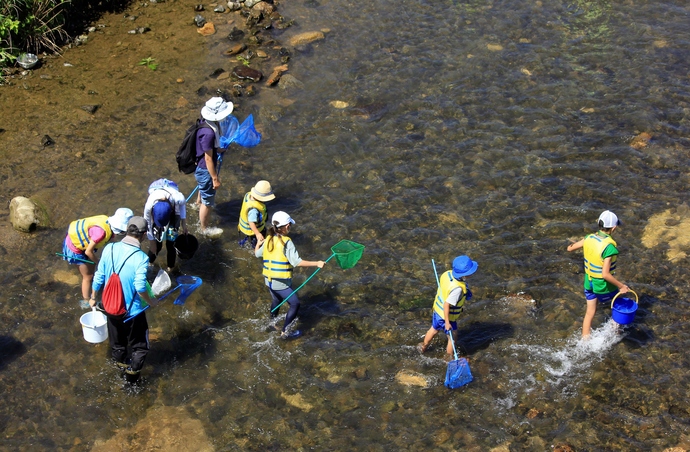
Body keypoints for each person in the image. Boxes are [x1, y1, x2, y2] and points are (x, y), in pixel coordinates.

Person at [90, 216, 158, 384]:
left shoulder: (109, 248)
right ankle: (131, 379)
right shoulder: (141, 258)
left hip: (109, 307)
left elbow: (98, 277)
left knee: (118, 343)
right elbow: (140, 286)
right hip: (132, 312)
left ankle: (120, 368)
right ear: (143, 236)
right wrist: (151, 302)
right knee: (141, 347)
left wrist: (92, 298)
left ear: (126, 230)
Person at [255, 211, 325, 338]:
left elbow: (257, 254)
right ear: (286, 227)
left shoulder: (269, 239)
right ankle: (285, 332)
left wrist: (258, 244)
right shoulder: (287, 242)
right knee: (295, 303)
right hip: (280, 284)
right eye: (290, 226)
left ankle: (272, 323)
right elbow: (297, 262)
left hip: (269, 280)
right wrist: (317, 263)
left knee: (276, 300)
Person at [567, 210, 629, 338]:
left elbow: (570, 248)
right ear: (614, 228)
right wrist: (621, 286)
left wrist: (581, 243)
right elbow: (605, 274)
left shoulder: (589, 238)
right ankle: (615, 334)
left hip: (588, 283)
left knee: (590, 313)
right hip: (602, 285)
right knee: (619, 303)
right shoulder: (609, 248)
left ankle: (585, 340)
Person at [61, 208, 133, 308]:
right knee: (88, 276)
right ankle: (86, 301)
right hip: (74, 249)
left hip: (80, 242)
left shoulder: (106, 221)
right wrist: (99, 262)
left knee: (92, 266)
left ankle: (94, 285)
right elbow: (88, 251)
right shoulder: (101, 233)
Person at [418, 255, 477, 361]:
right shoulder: (457, 289)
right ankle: (448, 357)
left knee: (433, 329)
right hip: (446, 316)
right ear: (465, 275)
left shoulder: (447, 274)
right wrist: (447, 322)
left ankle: (423, 347)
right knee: (453, 337)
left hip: (437, 310)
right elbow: (447, 305)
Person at [194, 96, 234, 232]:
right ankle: (204, 229)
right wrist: (215, 178)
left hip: (200, 167)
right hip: (205, 170)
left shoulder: (204, 122)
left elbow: (206, 148)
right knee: (208, 203)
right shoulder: (209, 133)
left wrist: (218, 149)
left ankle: (197, 203)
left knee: (203, 189)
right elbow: (208, 159)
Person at [143, 178, 188, 272]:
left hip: (171, 190)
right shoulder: (149, 205)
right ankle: (148, 263)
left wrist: (184, 223)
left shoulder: (178, 198)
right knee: (156, 244)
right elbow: (148, 225)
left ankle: (170, 267)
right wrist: (152, 243)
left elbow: (183, 206)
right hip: (156, 188)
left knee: (171, 244)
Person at [238, 180, 275, 248]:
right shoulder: (254, 210)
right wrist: (257, 234)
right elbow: (251, 222)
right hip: (253, 231)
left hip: (244, 228)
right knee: (258, 244)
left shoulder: (248, 196)